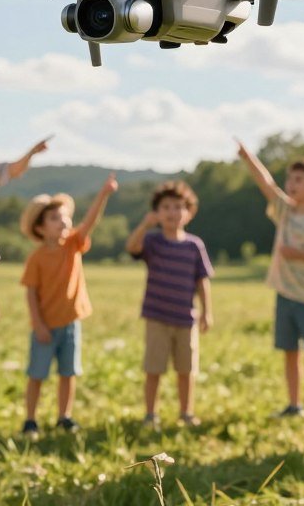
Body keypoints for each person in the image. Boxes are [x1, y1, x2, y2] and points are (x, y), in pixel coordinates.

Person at [236, 141, 304, 426]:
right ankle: (295, 405)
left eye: (299, 180)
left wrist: (298, 255)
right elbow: (266, 183)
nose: (291, 185)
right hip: (285, 295)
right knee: (290, 353)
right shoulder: (285, 211)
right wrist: (249, 157)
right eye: (290, 179)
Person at [18, 173, 118, 438]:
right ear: (40, 228)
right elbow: (30, 293)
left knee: (68, 373)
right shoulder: (36, 258)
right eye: (54, 218)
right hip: (45, 327)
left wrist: (103, 194)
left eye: (64, 216)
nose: (63, 220)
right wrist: (37, 324)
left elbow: (90, 222)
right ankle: (30, 420)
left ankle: (64, 416)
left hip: (71, 324)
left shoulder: (73, 245)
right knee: (37, 375)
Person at [125, 181, 214, 429]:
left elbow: (202, 280)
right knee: (154, 369)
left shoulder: (194, 245)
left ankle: (186, 412)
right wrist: (145, 224)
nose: (172, 212)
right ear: (156, 212)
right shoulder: (152, 242)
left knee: (186, 370)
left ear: (188, 212)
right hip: (157, 318)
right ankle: (150, 414)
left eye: (178, 207)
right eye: (165, 207)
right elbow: (132, 247)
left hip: (186, 319)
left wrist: (207, 311)